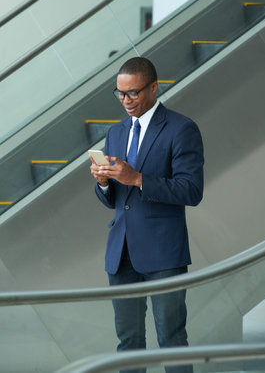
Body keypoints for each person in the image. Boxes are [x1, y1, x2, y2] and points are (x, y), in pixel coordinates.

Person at [90, 57, 204, 373]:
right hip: (121, 252)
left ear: (154, 87)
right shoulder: (116, 132)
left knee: (171, 339)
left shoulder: (182, 129)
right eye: (120, 94)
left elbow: (191, 190)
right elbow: (116, 199)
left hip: (163, 253)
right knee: (128, 344)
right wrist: (103, 183)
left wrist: (138, 178)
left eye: (133, 93)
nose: (126, 101)